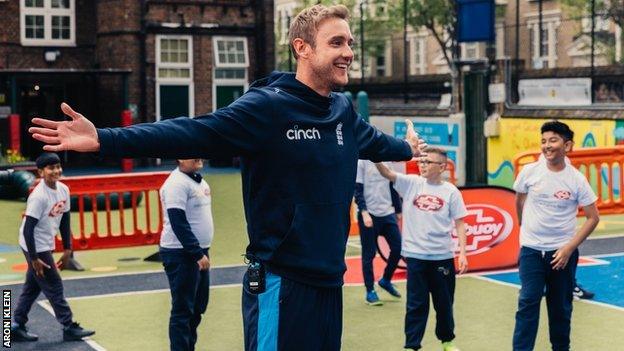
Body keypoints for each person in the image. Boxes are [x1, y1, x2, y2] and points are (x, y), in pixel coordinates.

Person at [28, 5, 426, 350]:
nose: (349, 53)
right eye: (337, 43)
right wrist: (103, 139)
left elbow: (377, 143)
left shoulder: (342, 112)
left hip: (329, 283)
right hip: (281, 283)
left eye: (349, 43)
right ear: (302, 48)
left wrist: (408, 148)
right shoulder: (267, 108)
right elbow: (192, 130)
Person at [512, 121, 600, 351]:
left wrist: (568, 248)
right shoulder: (530, 172)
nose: (546, 146)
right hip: (531, 250)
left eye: (553, 140)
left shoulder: (576, 179)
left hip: (562, 255)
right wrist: (524, 228)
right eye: (543, 141)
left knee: (560, 308)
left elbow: (593, 217)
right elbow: (519, 200)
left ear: (567, 145)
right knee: (527, 302)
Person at [375, 147, 467, 351]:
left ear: (442, 167)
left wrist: (462, 253)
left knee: (444, 305)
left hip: (442, 258)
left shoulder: (451, 191)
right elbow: (386, 173)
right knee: (416, 304)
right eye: (421, 161)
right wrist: (375, 154)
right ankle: (412, 344)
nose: (422, 165)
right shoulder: (411, 183)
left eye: (428, 162)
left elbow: (460, 222)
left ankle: (447, 341)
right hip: (416, 258)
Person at [11, 153, 95, 342]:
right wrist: (34, 258)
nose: (56, 171)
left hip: (45, 243)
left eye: (58, 166)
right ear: (41, 172)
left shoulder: (63, 189)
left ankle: (16, 325)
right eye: (51, 168)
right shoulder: (38, 197)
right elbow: (28, 230)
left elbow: (65, 220)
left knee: (32, 287)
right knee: (54, 284)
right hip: (34, 244)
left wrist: (67, 249)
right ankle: (68, 326)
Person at [159, 159, 212, 351]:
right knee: (183, 311)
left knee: (198, 307)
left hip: (197, 252)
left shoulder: (199, 181)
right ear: (180, 157)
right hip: (182, 254)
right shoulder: (176, 183)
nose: (199, 157)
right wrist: (197, 253)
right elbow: (178, 221)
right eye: (192, 153)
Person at [354, 160, 403, 306]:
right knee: (368, 254)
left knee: (398, 248)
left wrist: (398, 209)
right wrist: (364, 212)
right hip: (369, 214)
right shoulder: (361, 162)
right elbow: (357, 189)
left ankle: (386, 280)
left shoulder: (386, 160)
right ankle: (370, 291)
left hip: (387, 213)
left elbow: (393, 184)